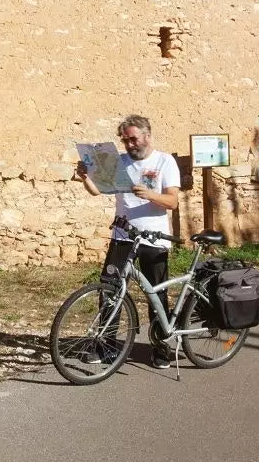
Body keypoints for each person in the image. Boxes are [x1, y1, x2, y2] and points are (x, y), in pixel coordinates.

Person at [75, 114, 182, 368]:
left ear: (147, 135)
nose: (130, 145)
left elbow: (172, 202)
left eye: (133, 139)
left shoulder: (165, 161)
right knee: (109, 289)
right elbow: (97, 191)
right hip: (123, 237)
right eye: (125, 141)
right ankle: (106, 345)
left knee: (156, 294)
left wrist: (150, 194)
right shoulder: (119, 162)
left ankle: (160, 347)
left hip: (154, 239)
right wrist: (85, 177)